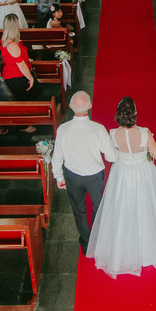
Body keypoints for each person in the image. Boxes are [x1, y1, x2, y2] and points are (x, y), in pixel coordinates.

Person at [86, 97, 156, 276]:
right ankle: (148, 247)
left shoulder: (112, 133)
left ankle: (121, 246)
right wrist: (147, 151)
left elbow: (111, 157)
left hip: (122, 173)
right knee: (146, 206)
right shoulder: (146, 133)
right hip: (143, 173)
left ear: (119, 116)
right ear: (135, 114)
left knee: (122, 208)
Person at [53, 91, 116, 251]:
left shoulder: (63, 129)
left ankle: (87, 242)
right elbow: (111, 156)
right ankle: (98, 239)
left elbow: (57, 156)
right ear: (90, 106)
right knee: (98, 207)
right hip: (94, 176)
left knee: (78, 210)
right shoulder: (98, 129)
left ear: (70, 106)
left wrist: (59, 176)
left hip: (72, 175)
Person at [0, 14, 43, 120]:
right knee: (34, 91)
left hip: (12, 74)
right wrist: (31, 78)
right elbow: (22, 66)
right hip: (16, 76)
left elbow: (14, 58)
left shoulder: (5, 39)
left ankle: (25, 117)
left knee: (25, 97)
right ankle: (22, 124)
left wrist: (26, 59)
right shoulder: (12, 45)